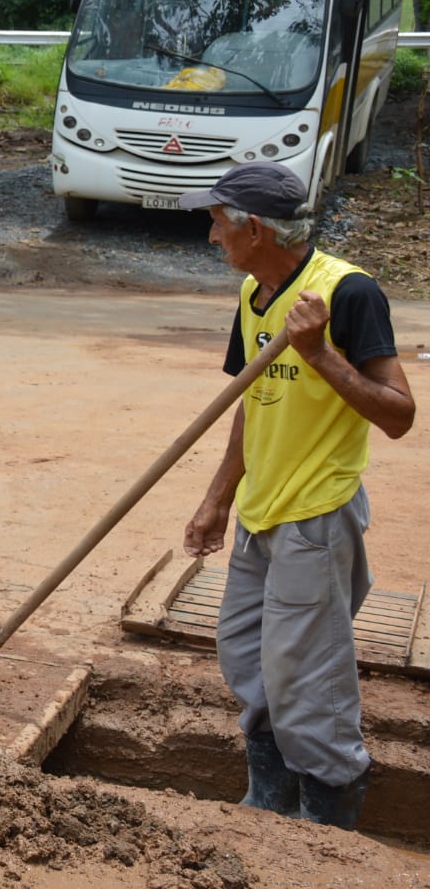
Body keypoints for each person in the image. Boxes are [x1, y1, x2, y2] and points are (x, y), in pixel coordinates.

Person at [180, 162, 415, 829]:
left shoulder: (347, 292)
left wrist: (321, 354)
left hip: (315, 516)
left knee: (307, 680)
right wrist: (218, 497)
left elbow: (399, 414)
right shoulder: (254, 291)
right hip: (261, 512)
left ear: (254, 229)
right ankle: (269, 806)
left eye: (218, 223)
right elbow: (251, 399)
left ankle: (324, 830)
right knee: (246, 657)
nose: (212, 237)